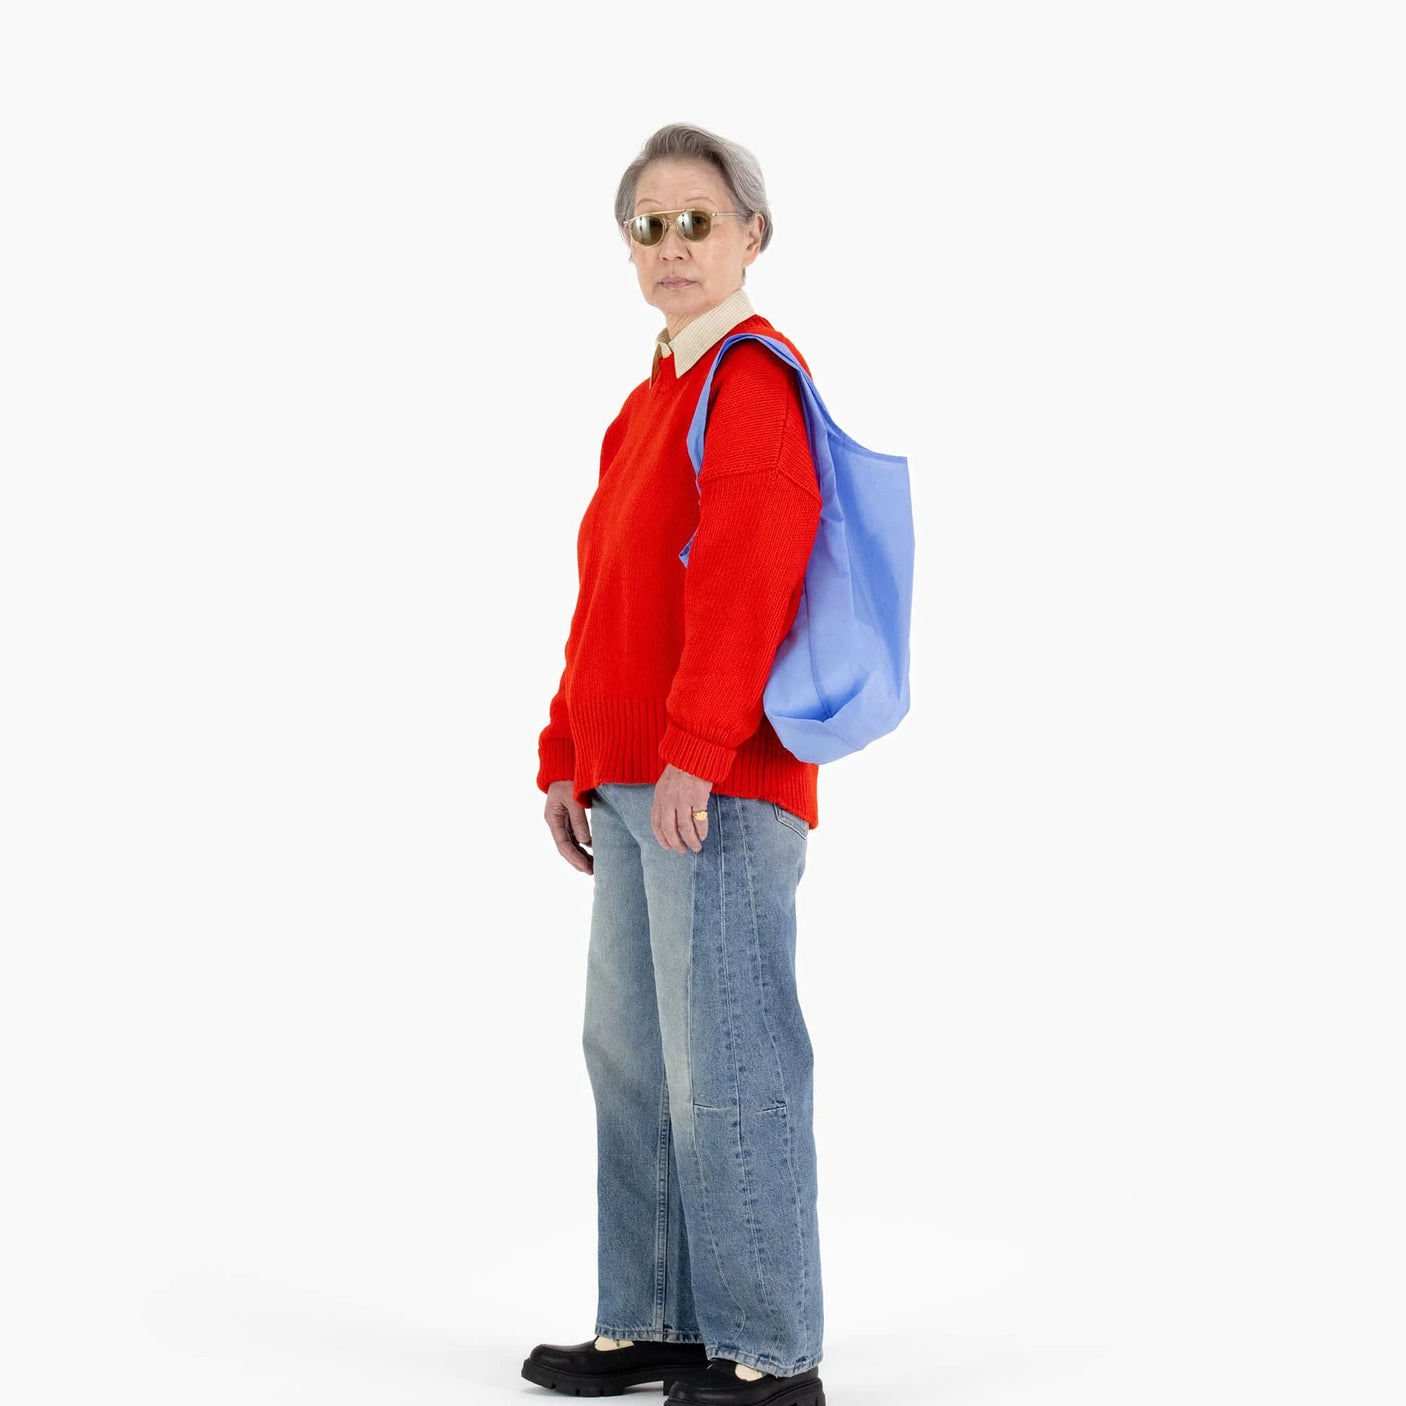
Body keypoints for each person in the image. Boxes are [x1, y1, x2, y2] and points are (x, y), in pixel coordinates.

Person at [522, 123, 826, 1406]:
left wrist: (698, 747)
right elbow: (608, 600)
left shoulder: (748, 381)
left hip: (715, 784)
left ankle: (767, 1352)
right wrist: (564, 754)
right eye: (648, 225)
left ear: (751, 234)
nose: (671, 246)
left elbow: (751, 579)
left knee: (732, 1062)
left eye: (696, 219)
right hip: (631, 781)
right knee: (636, 1058)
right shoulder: (648, 404)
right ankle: (651, 1315)